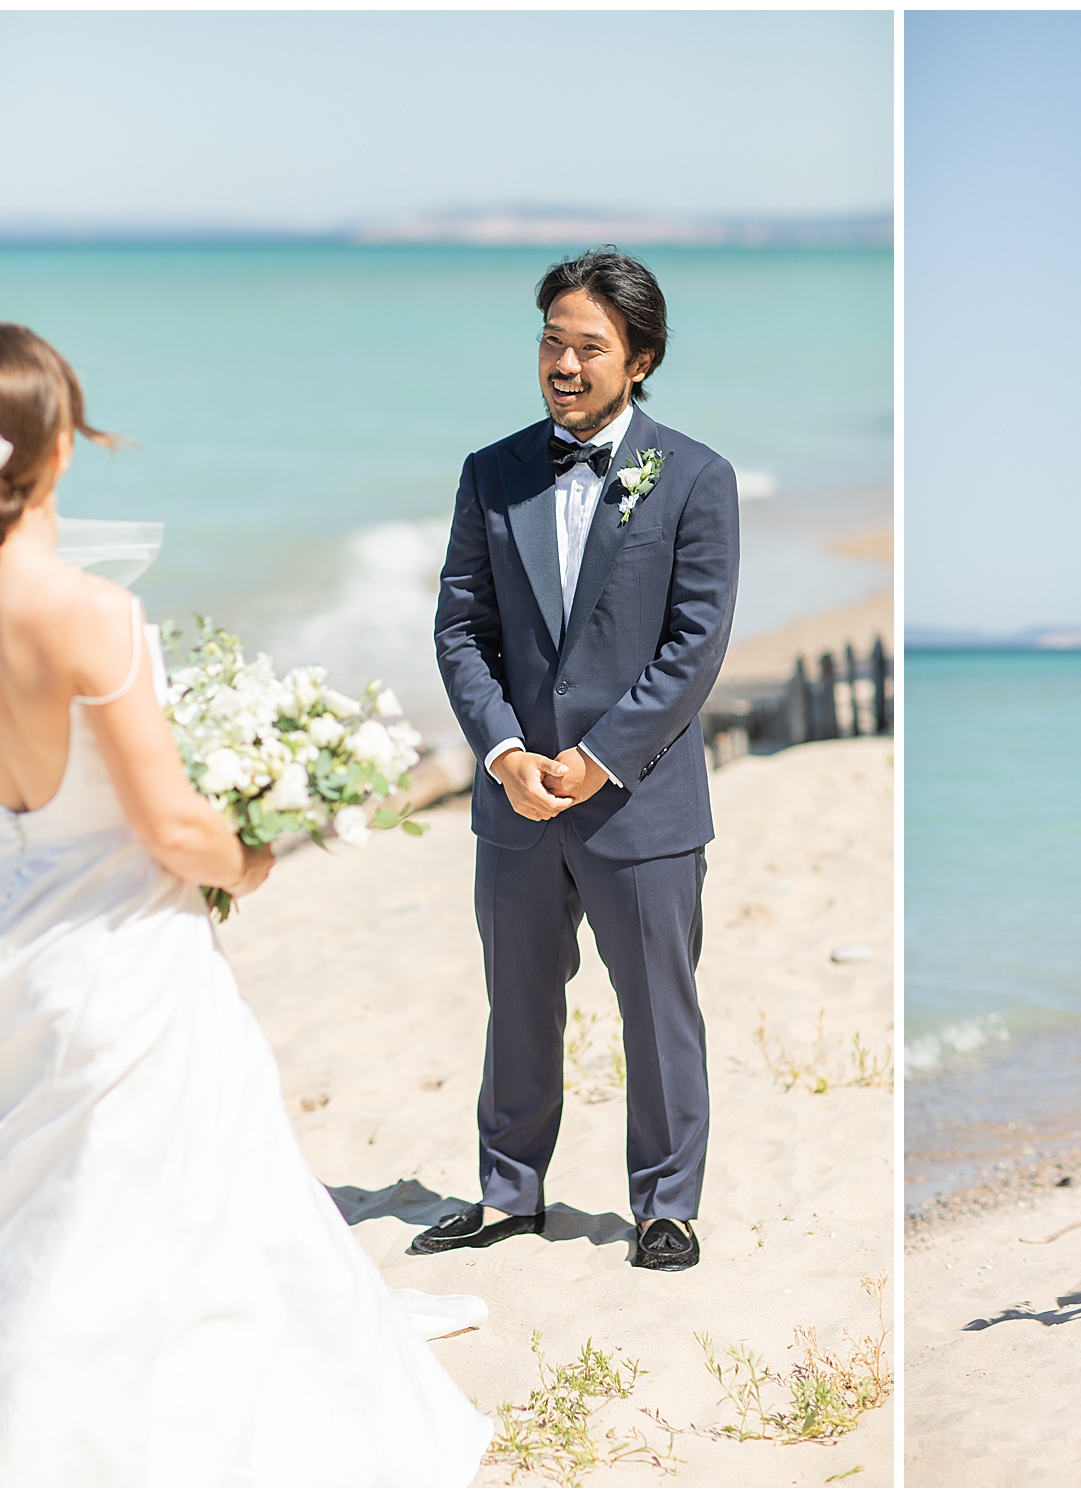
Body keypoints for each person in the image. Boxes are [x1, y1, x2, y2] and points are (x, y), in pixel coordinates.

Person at [0, 325, 490, 1484]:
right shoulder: (88, 613)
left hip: (8, 909)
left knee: (32, 1182)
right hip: (119, 929)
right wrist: (250, 856)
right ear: (54, 443)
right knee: (174, 1165)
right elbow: (171, 825)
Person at [423, 248, 738, 1270]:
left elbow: (694, 647)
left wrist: (600, 759)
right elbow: (461, 629)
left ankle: (666, 1206)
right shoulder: (490, 472)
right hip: (516, 798)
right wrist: (506, 752)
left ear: (637, 358)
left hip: (639, 799)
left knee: (657, 1010)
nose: (563, 362)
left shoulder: (694, 476)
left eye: (587, 346)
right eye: (551, 342)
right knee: (515, 999)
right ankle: (511, 1192)